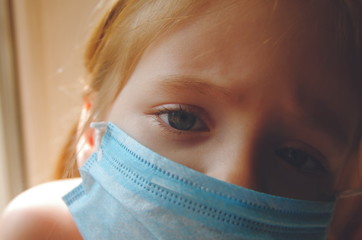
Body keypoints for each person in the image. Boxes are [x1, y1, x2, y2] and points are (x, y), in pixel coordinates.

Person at [1, 0, 361, 239]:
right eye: (181, 119)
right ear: (90, 133)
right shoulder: (41, 230)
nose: (237, 179)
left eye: (297, 157)